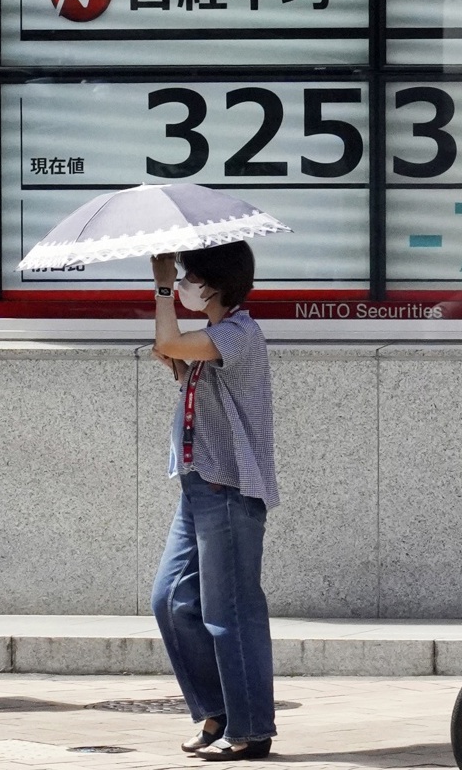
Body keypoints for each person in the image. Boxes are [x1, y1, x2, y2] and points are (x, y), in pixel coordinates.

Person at [148, 242, 278, 762]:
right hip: (198, 483)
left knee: (231, 612)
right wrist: (173, 357)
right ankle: (218, 712)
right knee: (172, 600)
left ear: (216, 284)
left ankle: (250, 728)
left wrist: (160, 289)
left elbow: (170, 341)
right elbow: (173, 351)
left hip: (228, 488)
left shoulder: (240, 334)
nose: (183, 286)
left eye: (188, 277)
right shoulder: (214, 339)